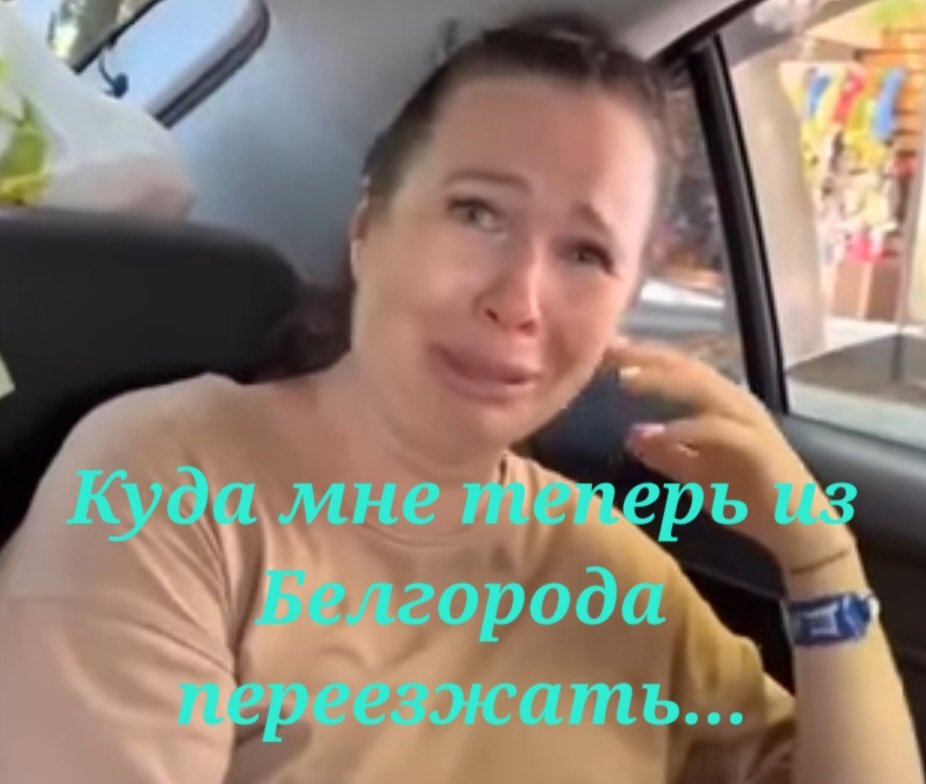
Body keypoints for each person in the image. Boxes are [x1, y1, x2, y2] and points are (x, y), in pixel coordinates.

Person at [0, 10, 922, 784]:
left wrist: (820, 562)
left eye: (586, 253)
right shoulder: (167, 489)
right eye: (477, 212)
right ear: (369, 227)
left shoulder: (609, 571)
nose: (518, 300)